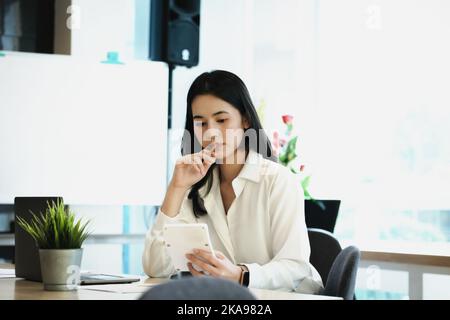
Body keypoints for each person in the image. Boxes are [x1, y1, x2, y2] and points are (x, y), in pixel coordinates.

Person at [142, 70, 323, 293]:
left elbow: (295, 268)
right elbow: (156, 268)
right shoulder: (194, 187)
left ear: (245, 120)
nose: (211, 133)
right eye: (201, 123)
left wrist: (240, 275)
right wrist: (176, 188)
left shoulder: (278, 181)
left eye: (221, 120)